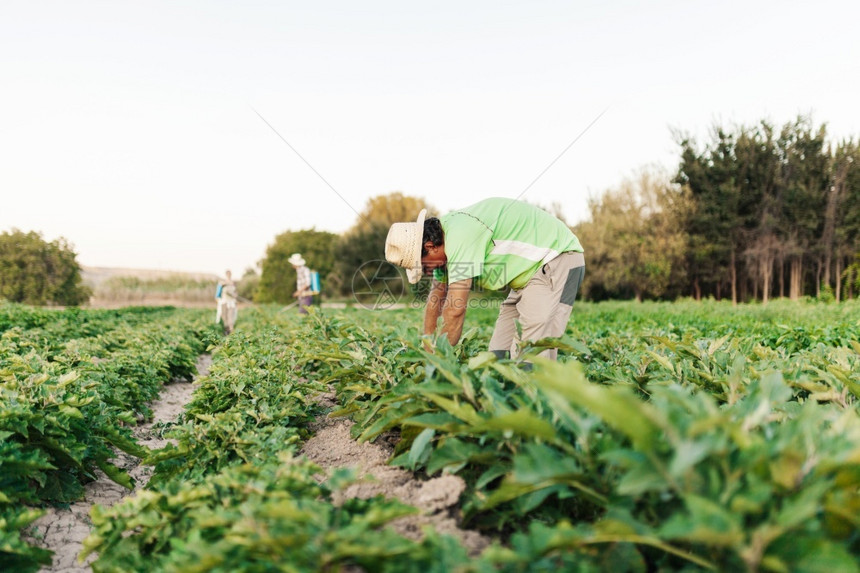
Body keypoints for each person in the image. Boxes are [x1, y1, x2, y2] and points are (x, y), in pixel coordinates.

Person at [385, 197, 585, 361]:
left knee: (529, 354)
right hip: (527, 278)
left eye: (423, 265)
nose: (427, 272)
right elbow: (436, 298)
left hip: (558, 260)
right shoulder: (443, 244)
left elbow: (455, 311)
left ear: (430, 247)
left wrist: (440, 362)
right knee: (497, 358)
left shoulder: (460, 235)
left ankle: (543, 407)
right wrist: (428, 347)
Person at [216, 270, 238, 334]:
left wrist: (235, 295)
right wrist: (227, 283)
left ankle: (231, 331)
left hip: (231, 302)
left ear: (231, 274)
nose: (229, 275)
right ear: (226, 274)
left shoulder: (233, 283)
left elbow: (236, 293)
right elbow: (219, 287)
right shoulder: (222, 282)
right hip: (224, 301)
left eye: (229, 274)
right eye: (227, 274)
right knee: (224, 315)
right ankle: (226, 329)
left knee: (230, 316)